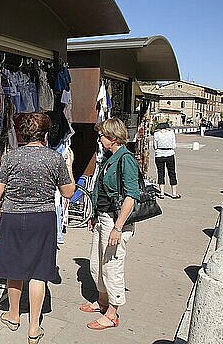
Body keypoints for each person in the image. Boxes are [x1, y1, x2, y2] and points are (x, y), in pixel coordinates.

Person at [0, 113, 75, 344]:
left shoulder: (11, 157)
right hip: (42, 219)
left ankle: (14, 315)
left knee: (14, 269)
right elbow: (68, 192)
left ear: (23, 134)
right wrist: (69, 165)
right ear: (46, 134)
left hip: (13, 217)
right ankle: (34, 328)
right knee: (39, 272)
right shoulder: (54, 159)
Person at [79, 118, 139, 330]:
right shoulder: (109, 158)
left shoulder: (126, 159)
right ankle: (102, 302)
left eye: (102, 135)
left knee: (112, 267)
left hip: (115, 221)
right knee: (96, 264)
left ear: (112, 138)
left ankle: (112, 313)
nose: (99, 138)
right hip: (103, 218)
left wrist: (118, 227)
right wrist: (94, 215)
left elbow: (132, 196)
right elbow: (101, 191)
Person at [153, 122, 180, 199]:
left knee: (160, 173)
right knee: (172, 173)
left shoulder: (156, 134)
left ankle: (161, 193)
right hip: (170, 154)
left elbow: (155, 146)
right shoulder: (171, 133)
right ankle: (174, 193)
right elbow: (174, 145)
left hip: (159, 155)